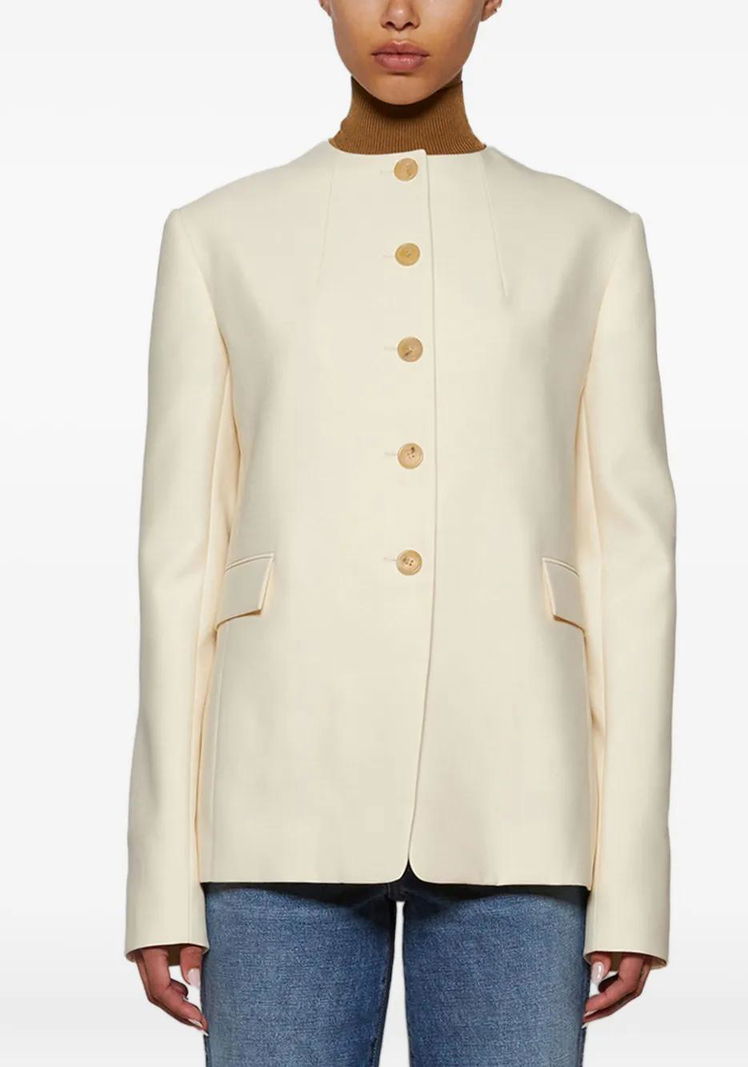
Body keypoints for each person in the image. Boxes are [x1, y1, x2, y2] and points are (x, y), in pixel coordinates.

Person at [124, 1, 677, 1064]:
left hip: (520, 802)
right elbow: (177, 562)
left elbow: (632, 567)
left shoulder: (590, 237)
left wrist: (632, 882)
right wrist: (159, 874)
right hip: (273, 797)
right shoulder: (217, 233)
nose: (399, 12)